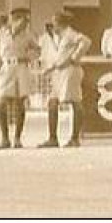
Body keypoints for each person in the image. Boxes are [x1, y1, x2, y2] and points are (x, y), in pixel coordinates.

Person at [0, 8, 39, 150]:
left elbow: (37, 50)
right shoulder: (1, 34)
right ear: (14, 20)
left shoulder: (28, 35)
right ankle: (5, 138)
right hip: (6, 68)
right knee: (2, 101)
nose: (24, 24)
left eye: (26, 21)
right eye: (22, 20)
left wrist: (29, 57)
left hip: (21, 67)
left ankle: (17, 138)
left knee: (20, 103)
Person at [39, 13, 90, 148]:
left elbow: (86, 41)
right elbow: (59, 57)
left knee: (75, 102)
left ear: (60, 23)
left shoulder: (70, 34)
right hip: (59, 73)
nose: (53, 26)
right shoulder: (59, 38)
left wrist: (74, 57)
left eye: (54, 23)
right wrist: (50, 69)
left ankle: (74, 138)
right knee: (53, 102)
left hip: (70, 71)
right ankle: (53, 138)